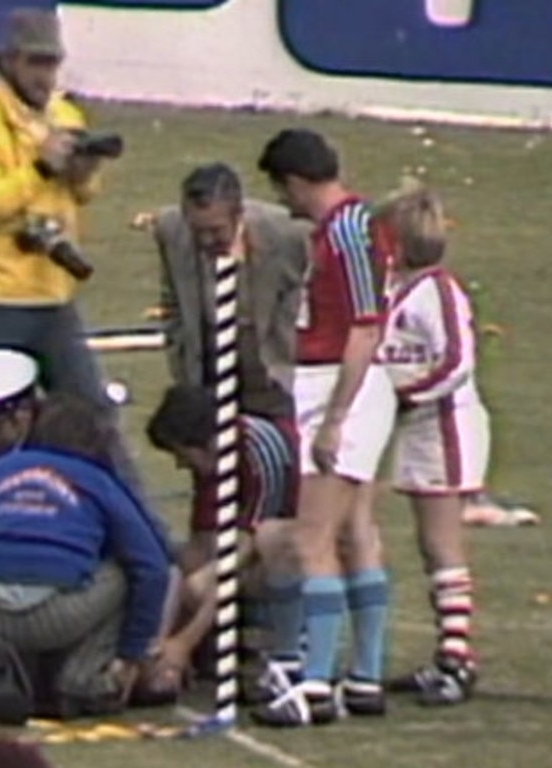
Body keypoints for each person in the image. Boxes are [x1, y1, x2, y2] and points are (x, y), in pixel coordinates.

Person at [0, 7, 143, 494]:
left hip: (54, 294)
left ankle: (141, 533)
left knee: (94, 416)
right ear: (7, 62)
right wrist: (40, 169)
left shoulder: (64, 115)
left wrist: (81, 171)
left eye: (52, 64)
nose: (46, 76)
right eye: (35, 64)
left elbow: (81, 195)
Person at [253, 129, 396, 726]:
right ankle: (363, 674)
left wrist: (336, 417)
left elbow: (366, 326)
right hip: (346, 381)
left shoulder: (346, 230)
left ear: (295, 180)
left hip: (343, 382)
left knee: (312, 536)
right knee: (355, 529)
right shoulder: (353, 225)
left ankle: (314, 686)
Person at [150, 163, 307, 691]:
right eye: (200, 233)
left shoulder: (287, 234)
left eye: (217, 233)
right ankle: (224, 632)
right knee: (210, 520)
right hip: (209, 386)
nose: (207, 242)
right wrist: (183, 363)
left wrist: (289, 361)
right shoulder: (170, 231)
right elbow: (173, 302)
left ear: (239, 216)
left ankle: (271, 633)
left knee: (266, 526)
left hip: (269, 387)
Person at [0, 387, 172, 725]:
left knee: (24, 599)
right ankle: (85, 681)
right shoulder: (96, 480)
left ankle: (17, 673)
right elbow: (152, 565)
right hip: (55, 616)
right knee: (120, 572)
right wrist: (132, 652)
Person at [373, 186, 488, 705]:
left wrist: (404, 393)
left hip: (443, 426)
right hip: (416, 426)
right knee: (428, 544)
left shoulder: (439, 292)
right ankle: (448, 654)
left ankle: (458, 660)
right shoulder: (397, 288)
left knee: (442, 544)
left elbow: (455, 362)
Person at [144, 385, 301, 699]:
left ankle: (282, 651)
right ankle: (168, 660)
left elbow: (245, 550)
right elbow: (199, 544)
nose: (180, 464)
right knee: (181, 569)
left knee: (209, 581)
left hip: (296, 551)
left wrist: (184, 641)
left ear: (209, 444)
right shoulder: (212, 466)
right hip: (252, 547)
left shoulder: (261, 452)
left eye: (181, 454)